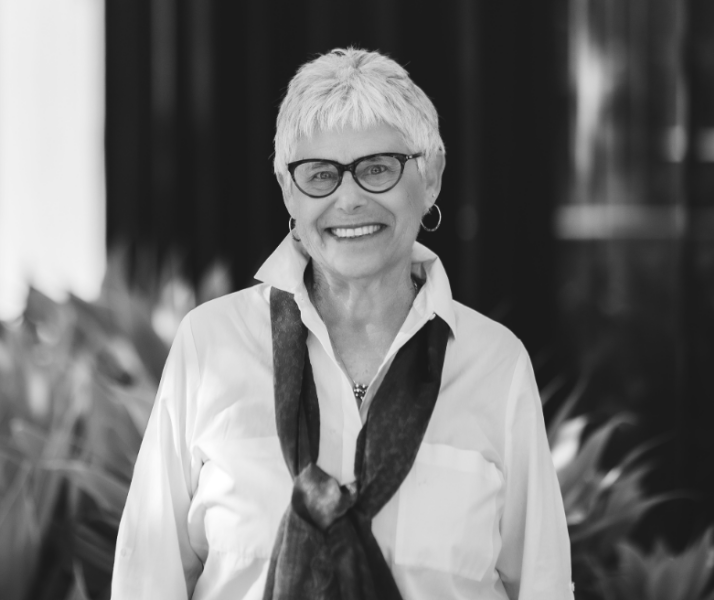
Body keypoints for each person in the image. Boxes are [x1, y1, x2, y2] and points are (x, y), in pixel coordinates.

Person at [111, 47, 573, 600]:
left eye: (378, 168)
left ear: (431, 178)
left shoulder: (494, 363)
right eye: (320, 175)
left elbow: (542, 586)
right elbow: (148, 580)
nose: (349, 199)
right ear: (289, 191)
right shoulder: (209, 345)